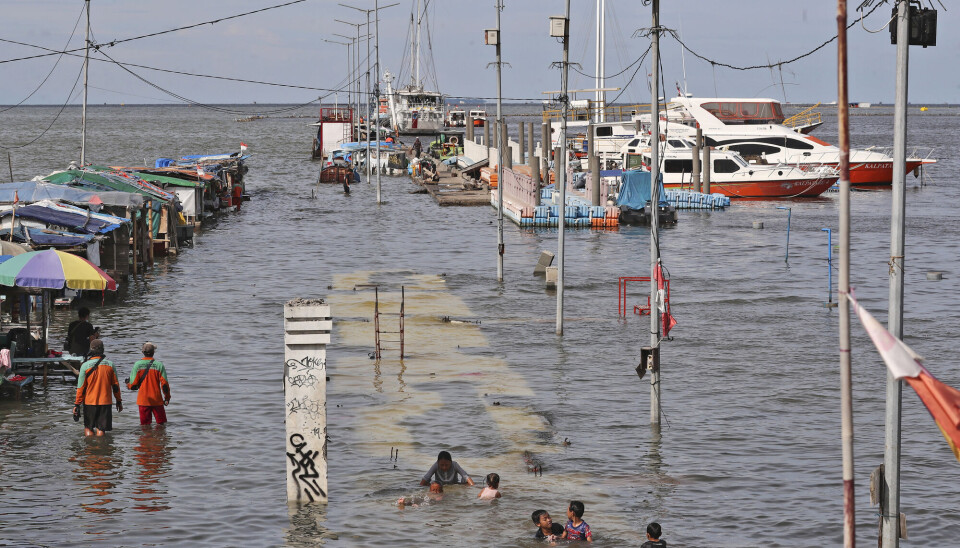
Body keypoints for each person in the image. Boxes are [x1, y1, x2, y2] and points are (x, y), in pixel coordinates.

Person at [73, 339, 122, 436]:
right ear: (103, 350)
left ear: (91, 350)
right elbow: (115, 386)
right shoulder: (110, 365)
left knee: (88, 428)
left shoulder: (85, 366)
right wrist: (118, 401)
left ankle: (90, 448)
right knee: (101, 429)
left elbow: (81, 388)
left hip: (89, 402)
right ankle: (101, 448)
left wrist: (77, 404)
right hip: (105, 402)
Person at [127, 342, 171, 426]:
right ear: (153, 352)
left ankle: (146, 439)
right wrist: (167, 398)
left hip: (143, 400)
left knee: (145, 426)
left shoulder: (137, 365)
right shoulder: (159, 365)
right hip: (157, 400)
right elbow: (164, 384)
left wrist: (128, 385)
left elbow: (133, 385)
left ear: (143, 352)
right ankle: (160, 438)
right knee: (161, 425)